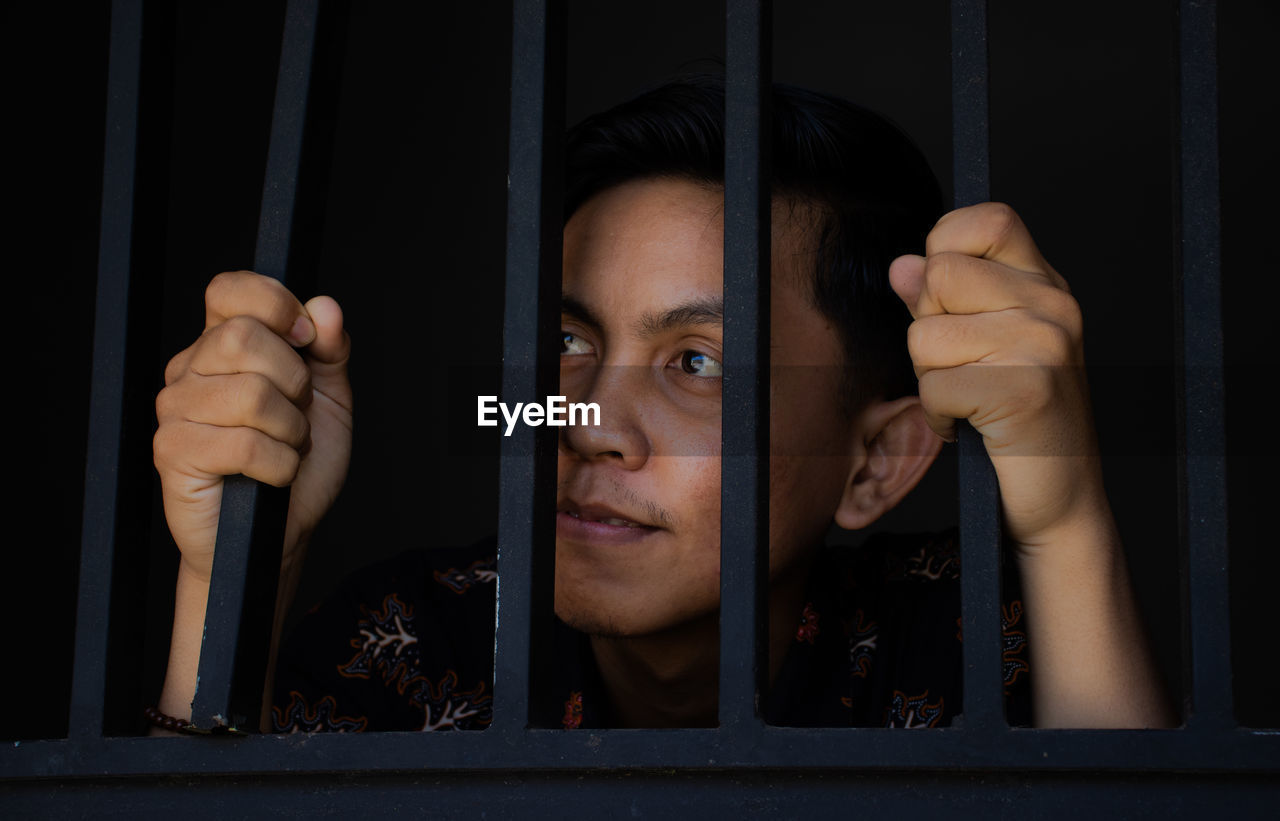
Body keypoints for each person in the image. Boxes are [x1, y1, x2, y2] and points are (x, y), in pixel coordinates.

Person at [151, 76, 1176, 733]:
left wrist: (1065, 522)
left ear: (876, 463)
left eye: (696, 363)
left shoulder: (959, 640)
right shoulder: (422, 638)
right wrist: (236, 561)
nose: (587, 420)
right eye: (568, 342)